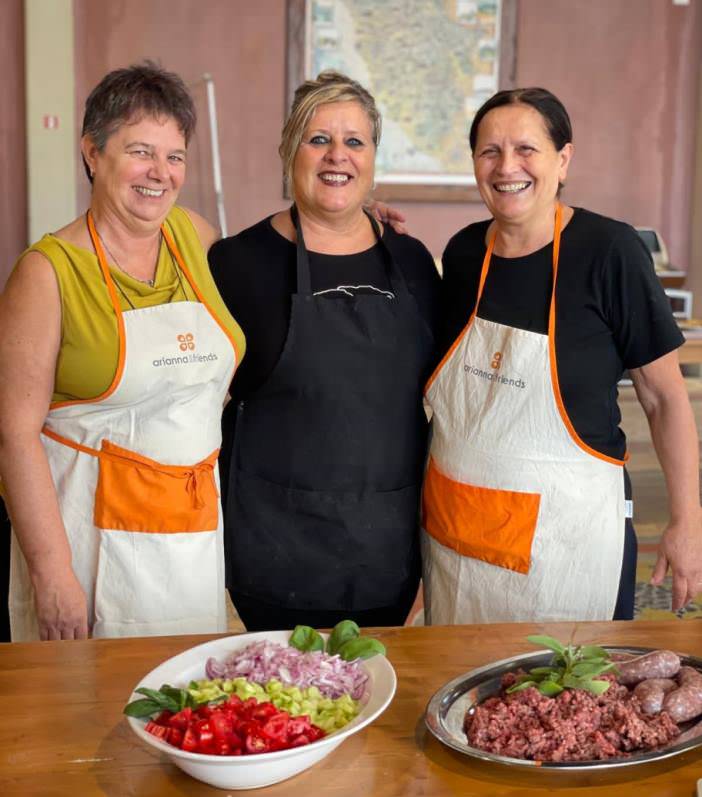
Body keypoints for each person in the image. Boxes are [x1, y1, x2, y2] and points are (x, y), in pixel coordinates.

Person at [422, 87, 702, 624]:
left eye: (527, 149)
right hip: (458, 539)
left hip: (570, 540)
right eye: (490, 152)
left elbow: (665, 398)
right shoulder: (462, 254)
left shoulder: (610, 252)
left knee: (567, 693)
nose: (508, 167)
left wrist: (686, 520)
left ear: (563, 159)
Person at [0, 63, 245, 641]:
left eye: (175, 156)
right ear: (92, 152)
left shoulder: (196, 236)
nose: (160, 173)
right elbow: (13, 432)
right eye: (141, 151)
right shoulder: (47, 273)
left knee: (185, 705)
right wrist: (53, 573)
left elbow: (273, 258)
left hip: (189, 543)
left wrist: (353, 224)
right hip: (86, 546)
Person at [210, 71, 439, 632]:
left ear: (373, 158)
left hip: (387, 546)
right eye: (319, 139)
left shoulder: (412, 263)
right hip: (274, 544)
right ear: (290, 149)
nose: (338, 155)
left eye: (354, 141)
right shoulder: (236, 264)